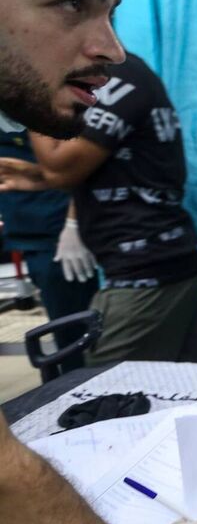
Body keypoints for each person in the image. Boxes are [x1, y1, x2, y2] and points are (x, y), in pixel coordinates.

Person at [0, 0, 197, 524]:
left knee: (102, 398)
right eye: (72, 3)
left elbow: (69, 159)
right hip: (150, 260)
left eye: (109, 10)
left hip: (149, 266)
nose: (111, 47)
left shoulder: (115, 79)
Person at [2, 52, 197, 364]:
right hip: (164, 260)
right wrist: (42, 179)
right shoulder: (121, 74)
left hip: (147, 270)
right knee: (188, 390)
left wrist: (33, 85)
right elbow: (118, 165)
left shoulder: (118, 76)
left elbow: (61, 168)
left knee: (100, 391)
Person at [0, 130, 98, 371]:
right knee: (68, 333)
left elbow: (80, 165)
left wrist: (74, 222)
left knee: (80, 334)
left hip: (64, 226)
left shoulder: (42, 105)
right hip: (35, 231)